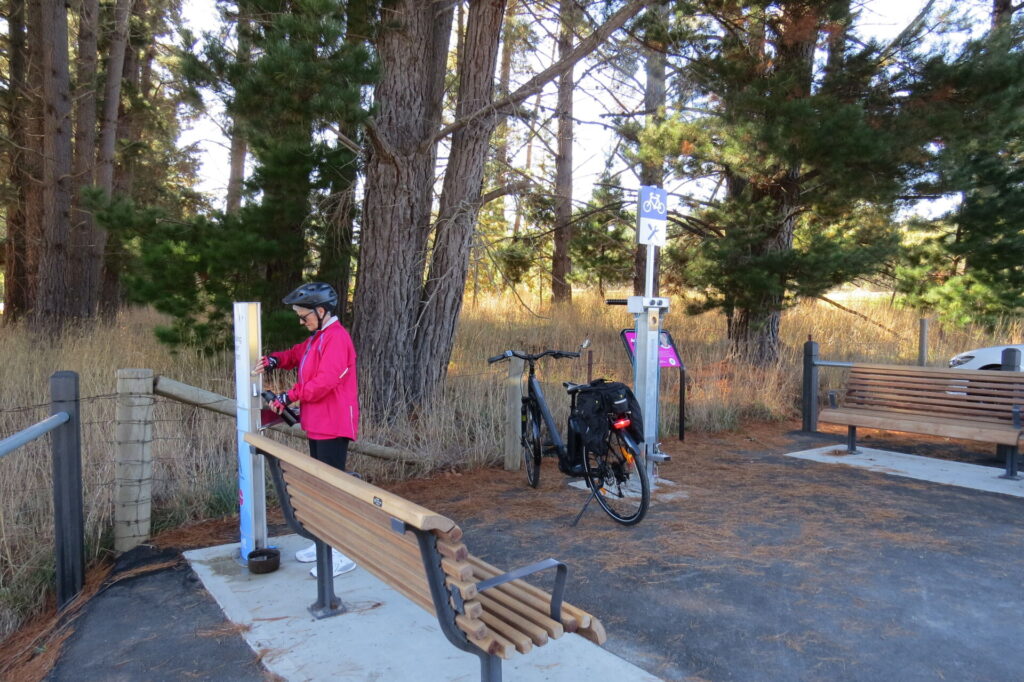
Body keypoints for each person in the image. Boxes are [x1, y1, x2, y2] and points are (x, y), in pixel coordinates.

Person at [254, 282, 359, 578]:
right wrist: (275, 359)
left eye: (304, 316)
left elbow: (326, 381)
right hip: (318, 423)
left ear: (322, 311)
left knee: (332, 488)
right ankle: (324, 541)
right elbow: (296, 354)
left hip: (333, 423)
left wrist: (289, 396)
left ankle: (342, 552)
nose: (302, 321)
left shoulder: (337, 339)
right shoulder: (318, 338)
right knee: (319, 486)